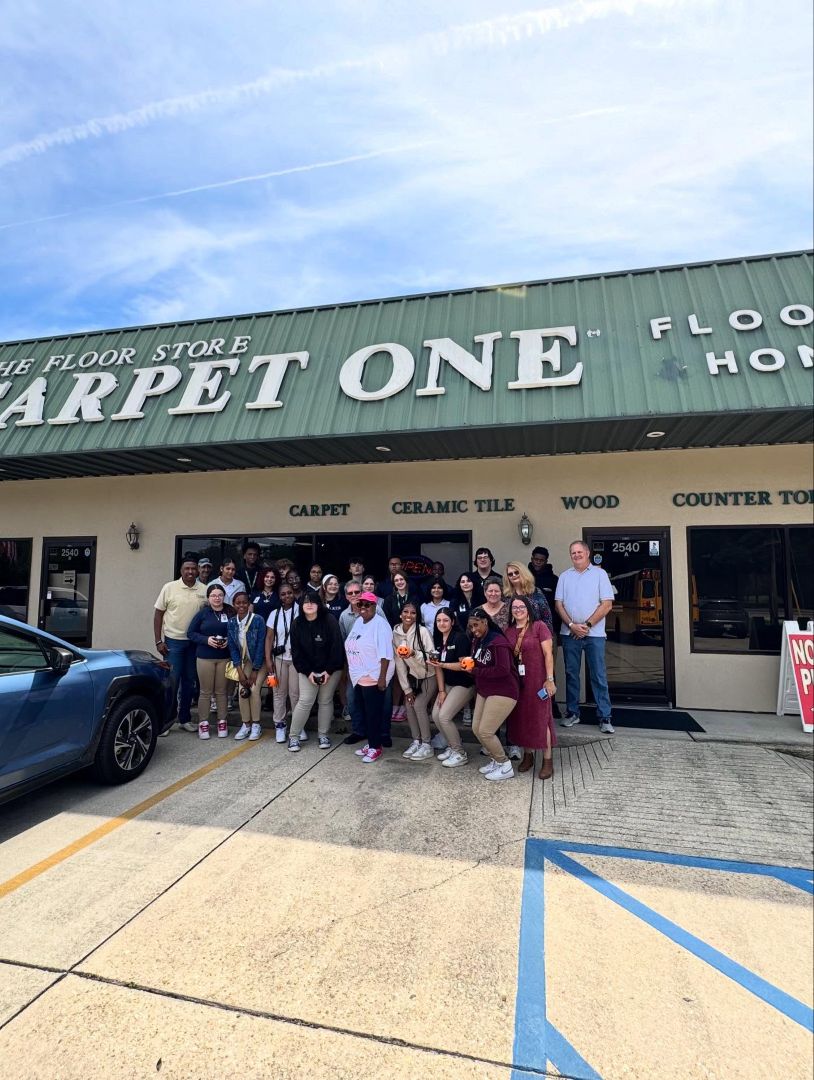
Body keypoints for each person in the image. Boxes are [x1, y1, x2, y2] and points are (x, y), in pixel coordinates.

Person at [555, 540, 615, 733]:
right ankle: (572, 713)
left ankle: (605, 717)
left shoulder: (600, 574)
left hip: (594, 634)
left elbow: (606, 604)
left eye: (580, 551)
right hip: (569, 634)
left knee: (598, 675)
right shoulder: (564, 576)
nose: (577, 555)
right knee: (572, 675)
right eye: (573, 552)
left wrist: (587, 626)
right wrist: (572, 626)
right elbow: (559, 605)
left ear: (588, 553)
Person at [504, 596, 556, 779]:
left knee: (542, 719)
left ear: (528, 609)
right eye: (514, 607)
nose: (518, 610)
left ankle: (547, 760)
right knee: (523, 718)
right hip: (519, 683)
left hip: (538, 681)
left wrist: (549, 679)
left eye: (521, 607)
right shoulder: (508, 631)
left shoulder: (539, 626)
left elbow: (548, 654)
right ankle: (528, 756)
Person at [153, 558, 206, 733]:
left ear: (197, 571)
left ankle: (185, 719)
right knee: (172, 681)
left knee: (189, 681)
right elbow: (158, 615)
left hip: (194, 642)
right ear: (181, 571)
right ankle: (167, 721)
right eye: (187, 568)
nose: (190, 572)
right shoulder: (169, 588)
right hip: (173, 642)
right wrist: (158, 641)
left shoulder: (204, 590)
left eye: (193, 569)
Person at [467, 608, 519, 781]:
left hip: (504, 690)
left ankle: (505, 766)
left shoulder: (498, 642)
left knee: (486, 731)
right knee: (476, 728)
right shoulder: (477, 640)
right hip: (485, 689)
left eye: (476, 625)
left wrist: (475, 671)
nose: (474, 630)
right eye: (471, 627)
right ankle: (495, 760)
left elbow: (503, 670)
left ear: (485, 622)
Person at [344, 592, 394, 764]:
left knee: (374, 714)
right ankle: (372, 742)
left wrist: (382, 678)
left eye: (368, 605)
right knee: (365, 712)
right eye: (360, 605)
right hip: (359, 676)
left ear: (375, 606)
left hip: (373, 676)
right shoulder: (359, 621)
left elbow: (386, 654)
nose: (363, 608)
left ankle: (375, 747)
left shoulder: (381, 625)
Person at [289, 595, 345, 751]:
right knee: (305, 700)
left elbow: (337, 647)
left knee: (325, 701)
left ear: (319, 604)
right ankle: (294, 737)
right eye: (305, 602)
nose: (309, 604)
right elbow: (296, 653)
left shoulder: (329, 620)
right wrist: (308, 673)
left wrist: (328, 671)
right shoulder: (296, 624)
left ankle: (323, 735)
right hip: (307, 670)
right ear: (301, 605)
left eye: (312, 601)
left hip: (330, 669)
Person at [393, 603, 440, 761]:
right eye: (405, 612)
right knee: (409, 704)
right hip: (413, 677)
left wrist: (414, 654)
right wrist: (406, 690)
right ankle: (416, 741)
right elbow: (399, 664)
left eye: (413, 613)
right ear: (400, 614)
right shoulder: (396, 634)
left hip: (429, 675)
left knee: (419, 705)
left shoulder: (423, 631)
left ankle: (427, 744)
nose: (409, 615)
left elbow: (432, 657)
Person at [428, 608, 474, 768]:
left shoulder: (460, 638)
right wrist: (441, 691)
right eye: (439, 620)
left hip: (464, 683)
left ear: (452, 622)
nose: (442, 623)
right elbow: (437, 668)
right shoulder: (438, 639)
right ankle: (452, 744)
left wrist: (442, 664)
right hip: (448, 683)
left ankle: (460, 753)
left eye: (445, 620)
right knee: (435, 714)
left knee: (445, 716)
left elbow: (464, 666)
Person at [187, 584, 231, 739]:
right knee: (205, 692)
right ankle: (203, 723)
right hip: (205, 656)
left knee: (221, 691)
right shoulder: (203, 613)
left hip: (223, 657)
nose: (217, 598)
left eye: (220, 595)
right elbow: (191, 633)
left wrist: (228, 641)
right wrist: (206, 640)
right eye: (213, 595)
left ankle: (222, 721)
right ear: (208, 597)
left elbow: (236, 631)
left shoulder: (229, 611)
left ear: (224, 596)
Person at [264, 583, 301, 743]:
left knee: (296, 694)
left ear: (294, 594)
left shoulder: (301, 610)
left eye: (289, 593)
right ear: (279, 597)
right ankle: (280, 725)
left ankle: (298, 727)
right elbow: (269, 638)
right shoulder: (274, 614)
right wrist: (268, 660)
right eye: (283, 594)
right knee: (279, 693)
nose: (287, 596)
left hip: (296, 660)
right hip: (279, 659)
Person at [227, 590, 266, 742]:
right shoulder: (231, 623)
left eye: (244, 602)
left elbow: (261, 645)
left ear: (249, 604)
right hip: (244, 662)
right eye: (238, 603)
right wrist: (239, 671)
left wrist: (255, 671)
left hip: (259, 661)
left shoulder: (258, 620)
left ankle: (256, 724)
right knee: (243, 689)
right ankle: (246, 724)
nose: (241, 605)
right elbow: (232, 647)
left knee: (254, 689)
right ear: (234, 605)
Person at [528, 547, 562, 716]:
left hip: (549, 632)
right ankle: (531, 703)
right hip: (527, 632)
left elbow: (558, 606)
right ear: (532, 558)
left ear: (546, 561)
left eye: (541, 560)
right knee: (528, 667)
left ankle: (551, 704)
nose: (538, 562)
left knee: (549, 667)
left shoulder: (554, 580)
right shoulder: (525, 578)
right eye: (535, 559)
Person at [339, 580, 365, 744]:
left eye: (357, 592)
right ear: (346, 596)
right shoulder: (344, 615)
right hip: (354, 665)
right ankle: (358, 731)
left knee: (373, 700)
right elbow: (343, 641)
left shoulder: (373, 610)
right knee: (352, 698)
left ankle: (381, 732)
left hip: (373, 664)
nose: (354, 595)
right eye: (351, 593)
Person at [504, 562, 553, 632]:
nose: (514, 575)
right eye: (510, 574)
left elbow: (546, 616)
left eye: (516, 572)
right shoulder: (506, 596)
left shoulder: (535, 591)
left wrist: (547, 637)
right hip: (514, 636)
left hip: (536, 635)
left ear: (523, 573)